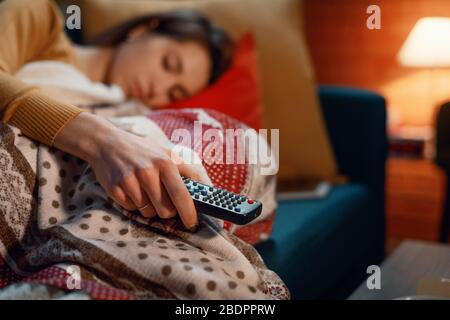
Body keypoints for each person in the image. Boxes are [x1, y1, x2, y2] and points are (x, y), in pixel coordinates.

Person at [0, 0, 234, 231]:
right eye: (168, 64)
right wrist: (101, 140)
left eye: (174, 93)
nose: (158, 89)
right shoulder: (39, 17)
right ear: (142, 30)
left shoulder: (134, 118)